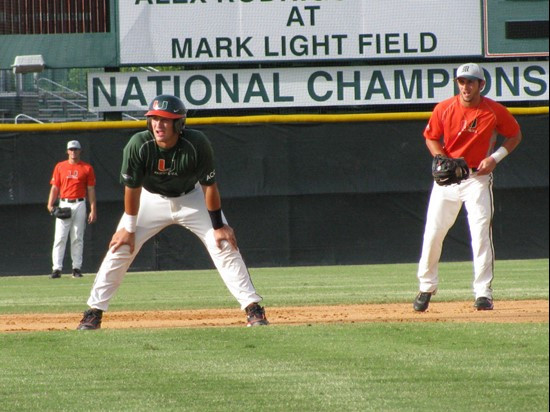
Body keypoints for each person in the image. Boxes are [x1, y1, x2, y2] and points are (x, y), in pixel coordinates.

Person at [76, 94, 268, 330]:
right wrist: (129, 227)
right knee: (121, 246)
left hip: (192, 198)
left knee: (224, 244)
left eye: (166, 120)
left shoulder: (197, 143)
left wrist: (218, 226)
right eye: (154, 118)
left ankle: (252, 308)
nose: (158, 124)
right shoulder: (139, 144)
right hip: (150, 199)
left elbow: (210, 186)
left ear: (179, 124)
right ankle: (94, 311)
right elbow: (132, 189)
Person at [413, 63, 522, 312]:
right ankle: (426, 287)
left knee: (481, 234)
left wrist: (495, 158)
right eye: (462, 81)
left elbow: (515, 135)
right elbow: (431, 136)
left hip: (477, 178)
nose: (465, 86)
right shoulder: (444, 108)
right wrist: (442, 158)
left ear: (481, 85)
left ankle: (483, 293)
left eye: (471, 81)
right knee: (433, 233)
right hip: (448, 180)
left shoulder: (493, 111)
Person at [47, 140, 97, 278]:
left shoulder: (87, 168)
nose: (73, 152)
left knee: (77, 237)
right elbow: (55, 187)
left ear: (80, 151)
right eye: (71, 149)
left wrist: (93, 209)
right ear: (67, 151)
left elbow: (91, 189)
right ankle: (57, 268)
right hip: (64, 203)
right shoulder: (60, 167)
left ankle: (76, 268)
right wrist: (50, 204)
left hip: (80, 202)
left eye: (76, 149)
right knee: (60, 237)